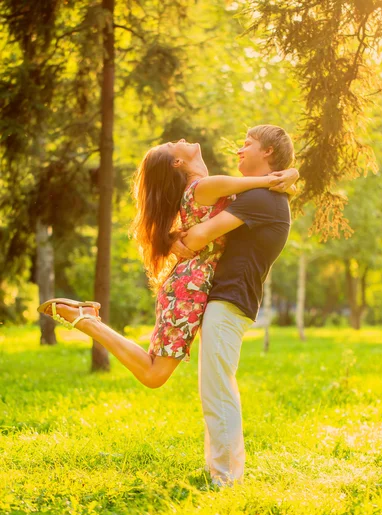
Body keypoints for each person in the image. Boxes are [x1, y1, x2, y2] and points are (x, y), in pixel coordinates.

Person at [38, 133, 297, 392]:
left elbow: (259, 192)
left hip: (190, 284)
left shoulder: (205, 188)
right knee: (154, 374)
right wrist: (284, 178)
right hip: (190, 287)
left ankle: (87, 320)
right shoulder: (203, 187)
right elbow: (261, 185)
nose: (181, 139)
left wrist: (292, 177)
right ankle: (86, 320)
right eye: (174, 145)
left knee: (154, 373)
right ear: (177, 163)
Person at [173, 125, 294, 487]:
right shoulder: (261, 195)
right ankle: (219, 467)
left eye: (247, 145)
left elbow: (199, 236)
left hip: (230, 301)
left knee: (217, 388)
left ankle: (226, 477)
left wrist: (183, 238)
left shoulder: (262, 199)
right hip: (228, 300)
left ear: (268, 152)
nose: (239, 150)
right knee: (214, 386)